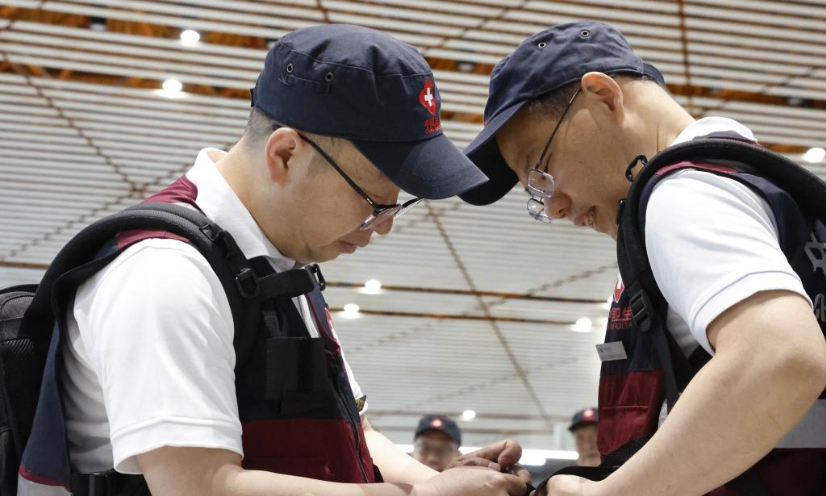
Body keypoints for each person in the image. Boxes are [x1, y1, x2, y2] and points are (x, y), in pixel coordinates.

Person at [17, 25, 529, 496]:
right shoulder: (165, 272)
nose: (385, 225)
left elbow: (358, 434)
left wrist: (447, 484)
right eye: (375, 201)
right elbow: (197, 486)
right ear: (285, 154)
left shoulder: (278, 267)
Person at [457, 20, 826, 496]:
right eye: (536, 193)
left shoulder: (682, 194)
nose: (554, 207)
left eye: (541, 169)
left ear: (603, 97)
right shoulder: (756, 183)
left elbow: (782, 357)